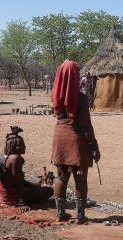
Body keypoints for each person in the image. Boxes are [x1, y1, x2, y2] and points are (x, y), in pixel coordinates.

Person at [51, 60, 101, 224]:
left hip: (60, 139)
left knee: (60, 178)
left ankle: (60, 213)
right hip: (76, 141)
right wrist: (94, 146)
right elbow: (86, 125)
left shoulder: (55, 97)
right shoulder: (80, 98)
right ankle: (80, 216)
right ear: (74, 76)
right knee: (80, 180)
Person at [0, 126, 53, 211]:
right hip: (9, 197)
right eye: (22, 144)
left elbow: (16, 179)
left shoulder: (6, 157)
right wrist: (21, 202)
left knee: (36, 188)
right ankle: (21, 200)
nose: (24, 146)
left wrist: (33, 185)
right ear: (14, 146)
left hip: (2, 193)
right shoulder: (15, 159)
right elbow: (18, 182)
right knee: (49, 191)